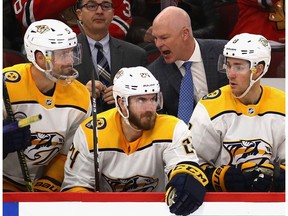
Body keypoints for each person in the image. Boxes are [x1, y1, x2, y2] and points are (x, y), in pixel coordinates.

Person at [61, 66, 208, 216]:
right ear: (121, 103)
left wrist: (184, 179)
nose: (150, 108)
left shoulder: (173, 127)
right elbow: (75, 186)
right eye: (141, 100)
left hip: (157, 212)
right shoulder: (91, 131)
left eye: (153, 99)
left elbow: (184, 166)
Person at [3, 19, 92, 192]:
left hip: (38, 182)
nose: (69, 61)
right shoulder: (6, 84)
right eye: (62, 54)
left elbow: (68, 152)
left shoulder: (80, 97)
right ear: (39, 57)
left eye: (71, 52)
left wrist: (47, 184)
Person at [189, 33, 285, 192]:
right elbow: (188, 162)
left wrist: (279, 177)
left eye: (239, 67)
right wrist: (219, 177)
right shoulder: (210, 106)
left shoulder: (283, 103)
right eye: (228, 65)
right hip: (223, 204)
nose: (230, 74)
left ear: (259, 70)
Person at [147, 6, 229, 117]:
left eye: (164, 37)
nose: (158, 44)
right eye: (155, 38)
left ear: (185, 33)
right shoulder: (154, 74)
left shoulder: (223, 52)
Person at [75, 0, 148, 113]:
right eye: (92, 6)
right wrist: (81, 94)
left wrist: (126, 94)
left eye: (105, 6)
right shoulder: (64, 55)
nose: (99, 11)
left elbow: (150, 100)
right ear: (79, 14)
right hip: (81, 126)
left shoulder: (136, 55)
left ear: (113, 13)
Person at [11, 0, 133, 40]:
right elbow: (26, 15)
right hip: (48, 44)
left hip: (98, 45)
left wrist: (86, 42)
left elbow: (120, 23)